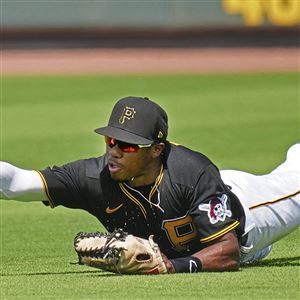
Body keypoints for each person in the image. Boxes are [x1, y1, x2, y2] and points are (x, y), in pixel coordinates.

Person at [1, 96, 299, 273]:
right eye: (110, 140)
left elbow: (228, 251)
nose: (114, 150)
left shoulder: (191, 172)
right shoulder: (93, 176)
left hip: (247, 212)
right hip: (203, 212)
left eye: (128, 145)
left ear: (156, 149)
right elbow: (17, 182)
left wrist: (171, 267)